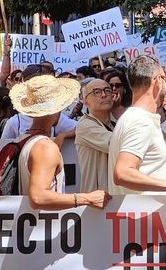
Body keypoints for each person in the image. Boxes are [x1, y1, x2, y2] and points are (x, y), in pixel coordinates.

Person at [109, 55, 166, 202]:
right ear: (158, 81)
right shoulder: (140, 121)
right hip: (144, 218)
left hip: (141, 217)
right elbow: (123, 173)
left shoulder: (132, 118)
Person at [10, 75, 111, 210]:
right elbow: (39, 197)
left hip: (35, 225)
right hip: (45, 226)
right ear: (56, 109)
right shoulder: (45, 146)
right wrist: (86, 198)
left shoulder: (24, 139)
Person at [75, 79, 117, 193]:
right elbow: (116, 144)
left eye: (107, 90)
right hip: (96, 199)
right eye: (96, 92)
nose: (103, 95)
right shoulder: (85, 125)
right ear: (84, 100)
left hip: (117, 196)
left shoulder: (116, 123)